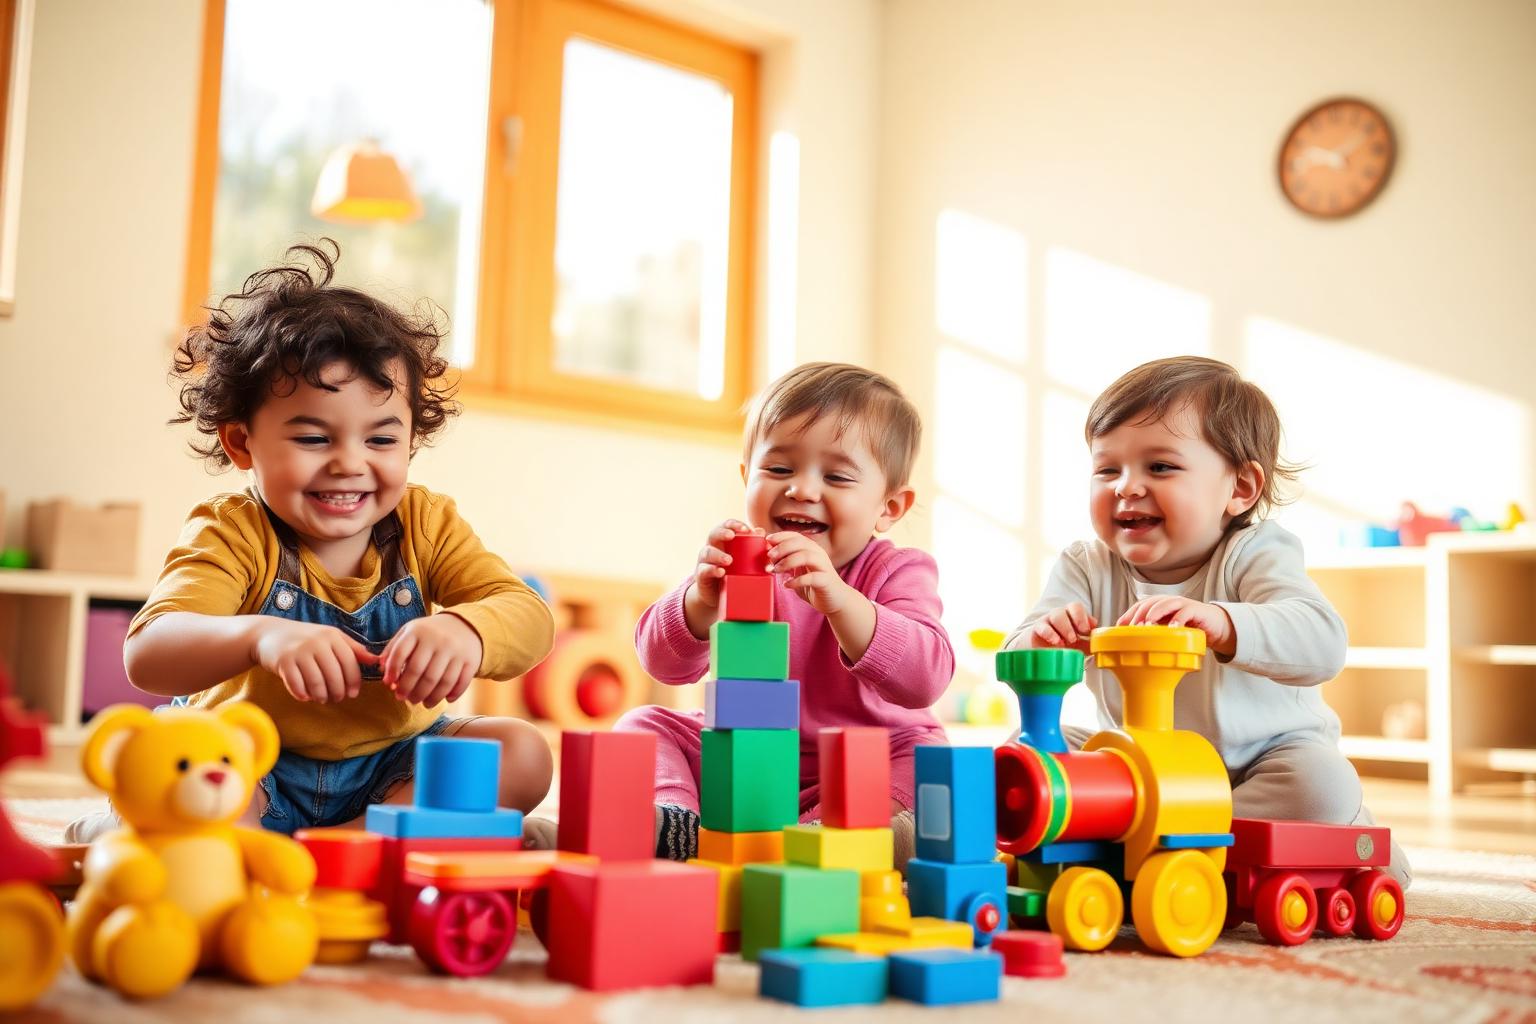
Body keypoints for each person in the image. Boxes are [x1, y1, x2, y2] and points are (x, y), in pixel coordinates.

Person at [66, 240, 554, 840]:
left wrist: (468, 630)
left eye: (379, 441)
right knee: (181, 785)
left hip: (396, 761)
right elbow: (149, 651)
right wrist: (262, 634)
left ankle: (347, 847)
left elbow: (529, 616)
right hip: (247, 758)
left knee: (522, 753)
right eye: (314, 439)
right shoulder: (233, 529)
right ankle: (177, 832)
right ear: (242, 443)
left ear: (410, 442)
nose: (350, 464)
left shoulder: (426, 522)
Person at [525, 363, 954, 865]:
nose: (802, 490)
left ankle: (834, 843)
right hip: (742, 760)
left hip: (868, 762)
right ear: (747, 476)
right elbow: (660, 663)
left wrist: (842, 601)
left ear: (890, 508)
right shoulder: (740, 563)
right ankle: (674, 825)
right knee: (646, 723)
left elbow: (925, 678)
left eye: (836, 476)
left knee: (931, 774)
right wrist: (702, 602)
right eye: (778, 469)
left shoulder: (898, 570)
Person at [1008, 355, 1410, 887]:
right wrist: (1045, 636)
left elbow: (1323, 641)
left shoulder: (1256, 552)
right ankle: (1164, 847)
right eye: (1108, 469)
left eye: (1160, 467)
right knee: (1026, 750)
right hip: (1146, 770)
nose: (1126, 487)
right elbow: (1019, 647)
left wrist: (1223, 622)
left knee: (1322, 784)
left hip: (1262, 764)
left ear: (1240, 489)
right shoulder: (1086, 565)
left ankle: (1326, 838)